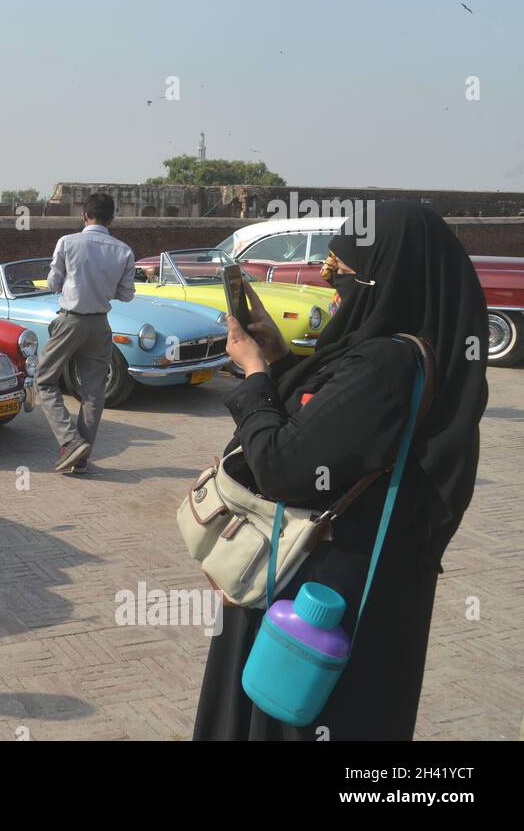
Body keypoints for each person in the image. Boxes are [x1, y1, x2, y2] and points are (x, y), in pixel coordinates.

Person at [193, 201, 488, 740]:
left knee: (288, 715)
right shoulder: (417, 351)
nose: (330, 285)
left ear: (386, 276)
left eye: (341, 272)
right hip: (370, 580)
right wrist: (280, 358)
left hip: (321, 587)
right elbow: (334, 430)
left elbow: (282, 464)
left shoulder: (383, 366)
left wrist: (255, 374)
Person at [36, 193, 136, 473]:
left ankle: (69, 440)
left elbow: (53, 283)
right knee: (93, 392)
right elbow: (126, 295)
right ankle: (80, 458)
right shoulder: (124, 250)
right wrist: (104, 287)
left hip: (71, 320)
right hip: (100, 324)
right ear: (112, 219)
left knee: (43, 380)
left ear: (84, 215)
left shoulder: (68, 243)